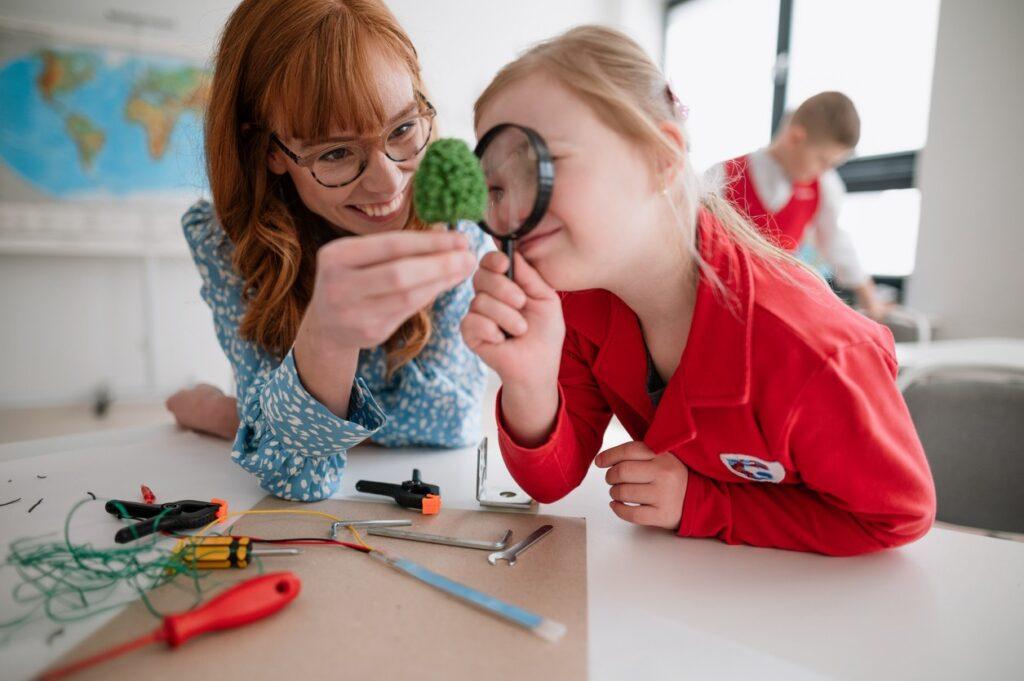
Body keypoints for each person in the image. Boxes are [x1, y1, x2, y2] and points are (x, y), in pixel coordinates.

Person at [461, 26, 935, 555]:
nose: (518, 211)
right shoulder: (577, 299)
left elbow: (895, 515)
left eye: (545, 165)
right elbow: (551, 481)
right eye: (498, 188)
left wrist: (704, 504)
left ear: (661, 158)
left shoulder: (813, 352)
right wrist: (529, 381)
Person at [167, 0, 488, 501]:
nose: (389, 183)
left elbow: (453, 422)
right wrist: (328, 342)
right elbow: (296, 477)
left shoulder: (455, 221)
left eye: (402, 129)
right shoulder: (226, 241)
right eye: (336, 153)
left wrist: (241, 417)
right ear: (270, 151)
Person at [709, 92, 890, 320]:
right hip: (724, 305)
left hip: (778, 309)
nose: (825, 170)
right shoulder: (723, 177)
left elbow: (834, 241)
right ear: (795, 138)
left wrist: (868, 295)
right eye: (823, 160)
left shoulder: (824, 186)